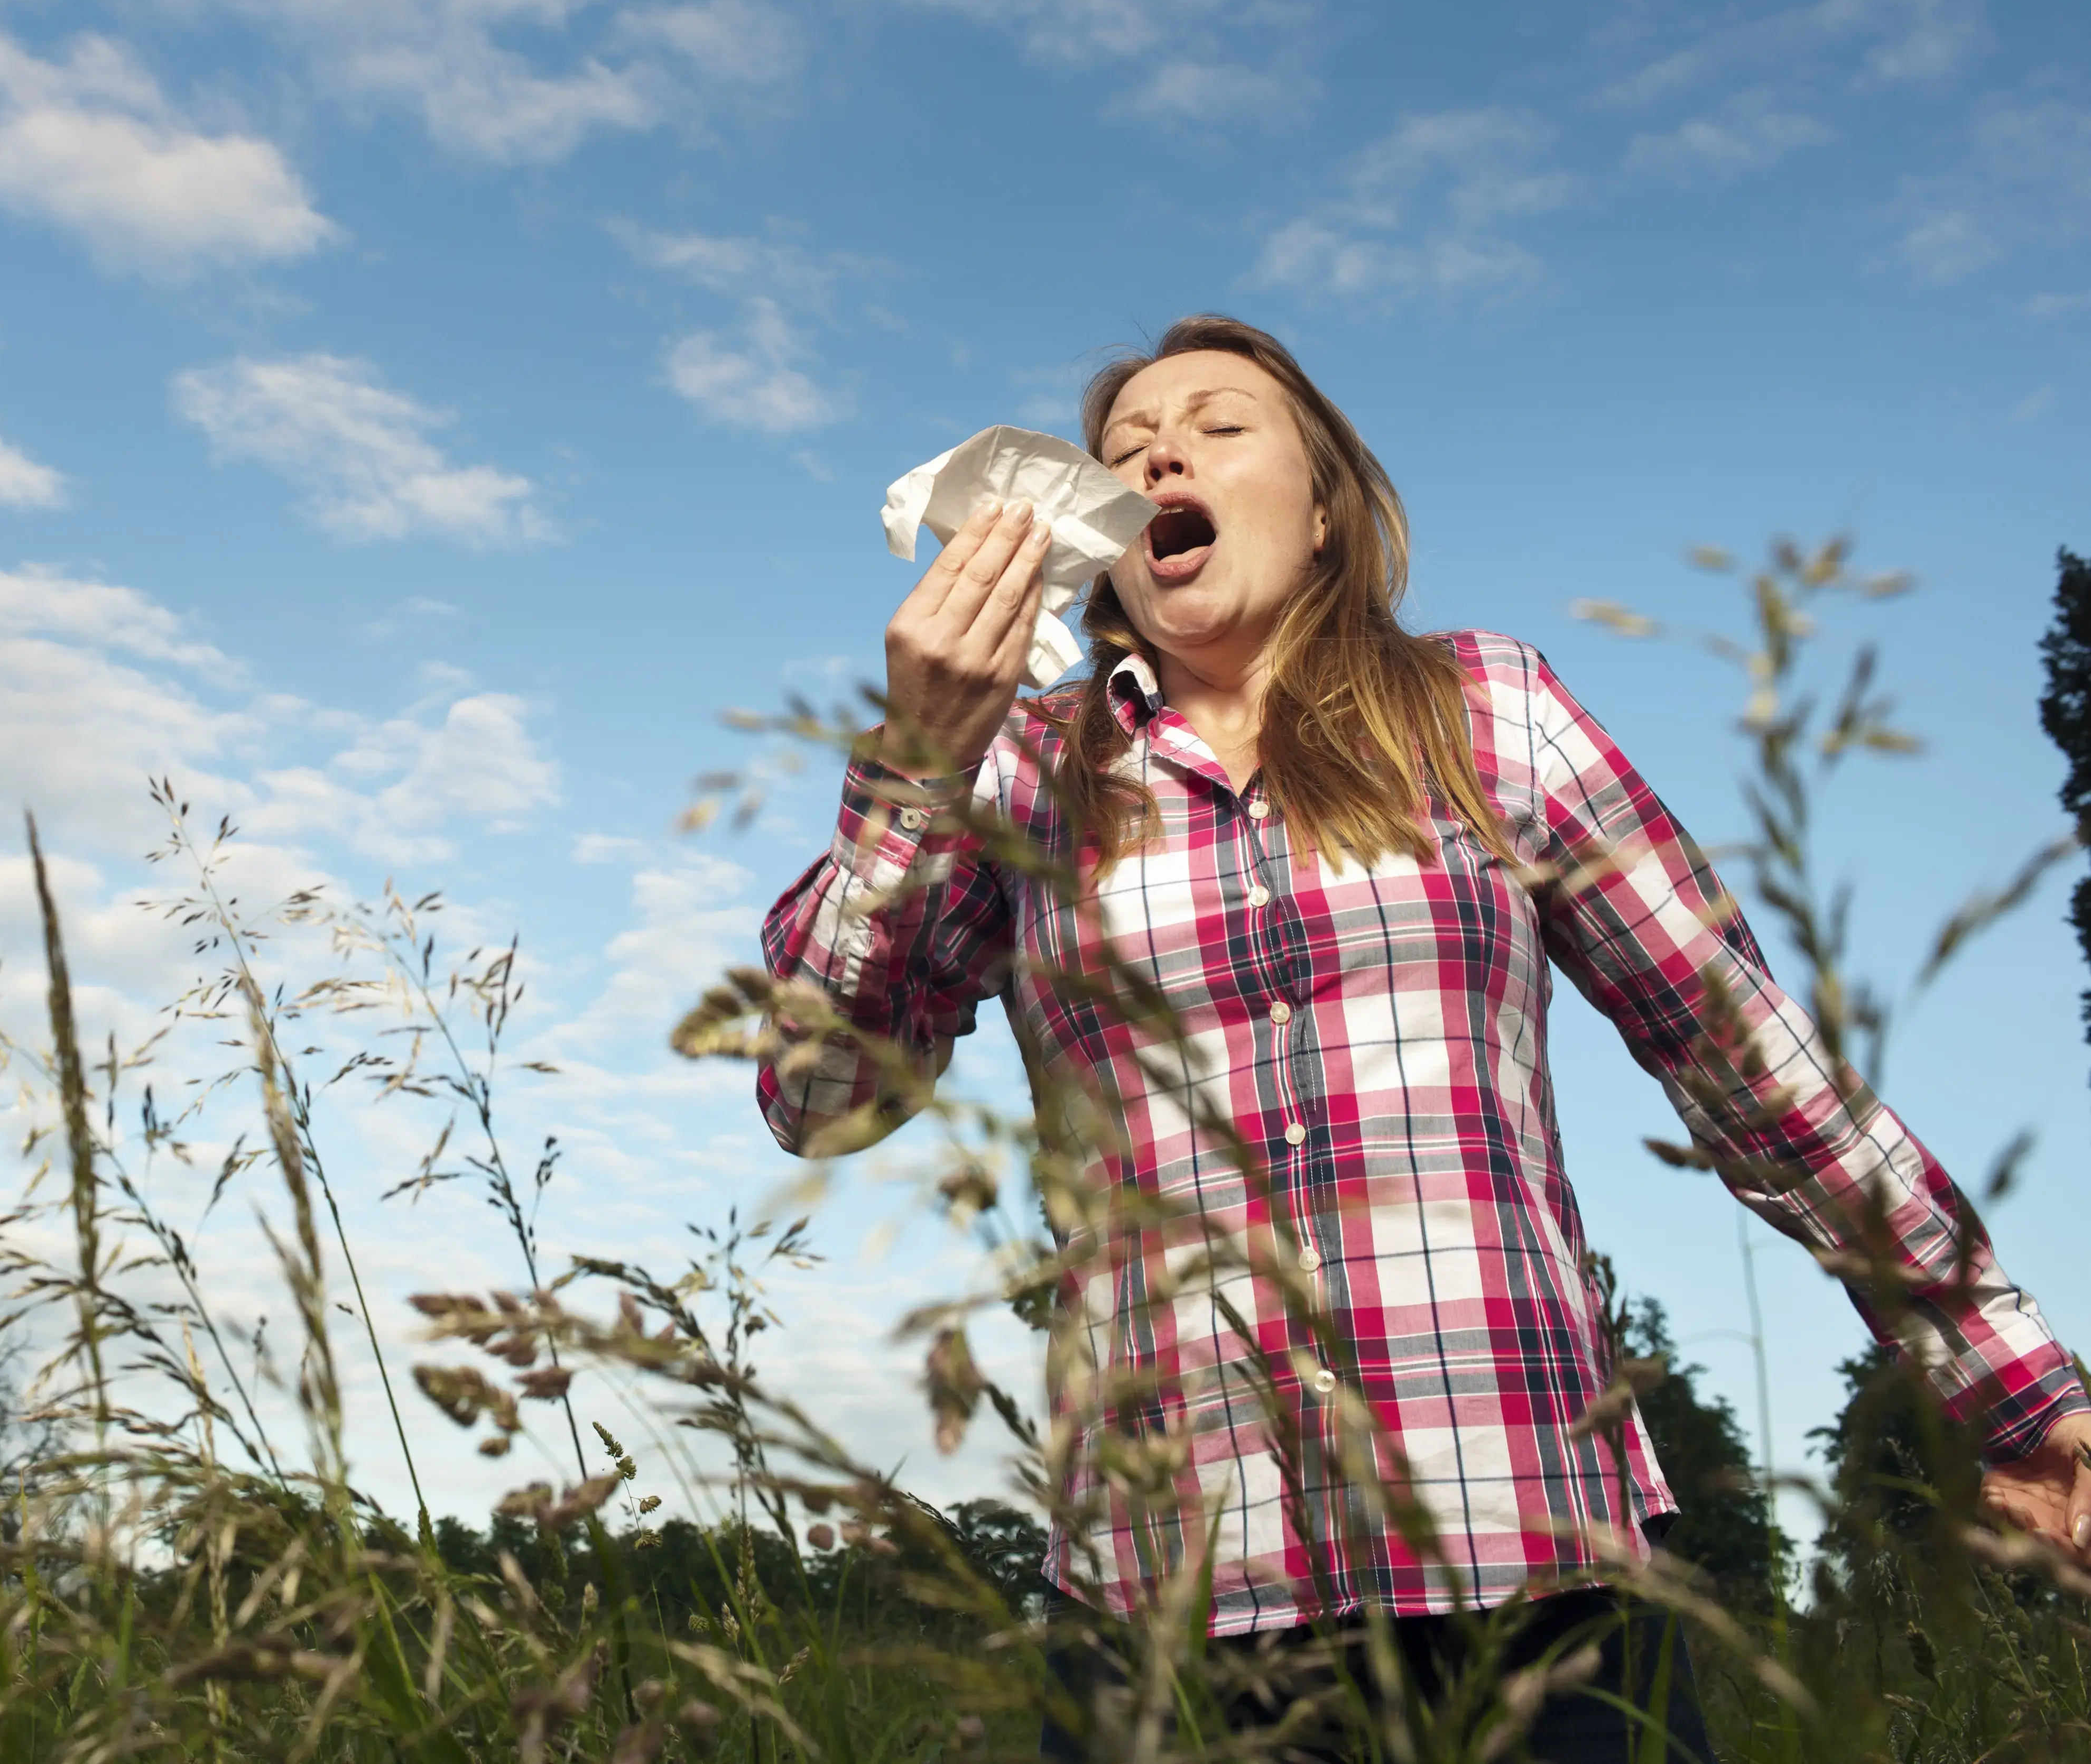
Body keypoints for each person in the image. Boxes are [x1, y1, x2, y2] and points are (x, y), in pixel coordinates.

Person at [753, 315, 2091, 1760]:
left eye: (1216, 423)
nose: (1159, 450)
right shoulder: (1017, 770)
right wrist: (915, 761)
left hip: (1530, 1574)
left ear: (1323, 506)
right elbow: (816, 1092)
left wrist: (2003, 1385)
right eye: (1126, 441)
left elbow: (1755, 1072)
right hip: (1173, 1609)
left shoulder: (1484, 713)